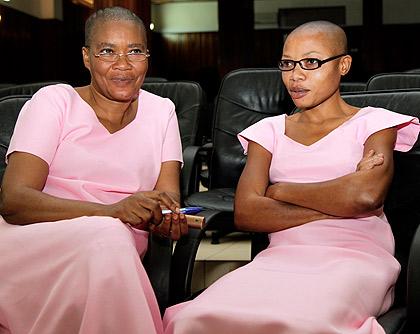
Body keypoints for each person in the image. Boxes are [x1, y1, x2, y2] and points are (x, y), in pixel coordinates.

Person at [163, 21, 420, 334]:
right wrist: (341, 197)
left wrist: (280, 190)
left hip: (355, 259)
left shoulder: (376, 123)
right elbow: (247, 213)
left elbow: (365, 197)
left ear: (343, 65)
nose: (296, 75)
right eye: (287, 63)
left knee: (304, 323)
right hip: (281, 257)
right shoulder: (267, 132)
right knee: (194, 318)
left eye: (311, 62)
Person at [0, 6, 187, 334]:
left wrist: (166, 218)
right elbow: (13, 201)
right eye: (107, 51)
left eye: (135, 51)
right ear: (87, 57)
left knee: (109, 236)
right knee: (107, 233)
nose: (123, 65)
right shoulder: (53, 102)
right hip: (34, 239)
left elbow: (168, 197)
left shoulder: (162, 111)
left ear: (148, 56)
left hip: (118, 244)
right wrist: (110, 212)